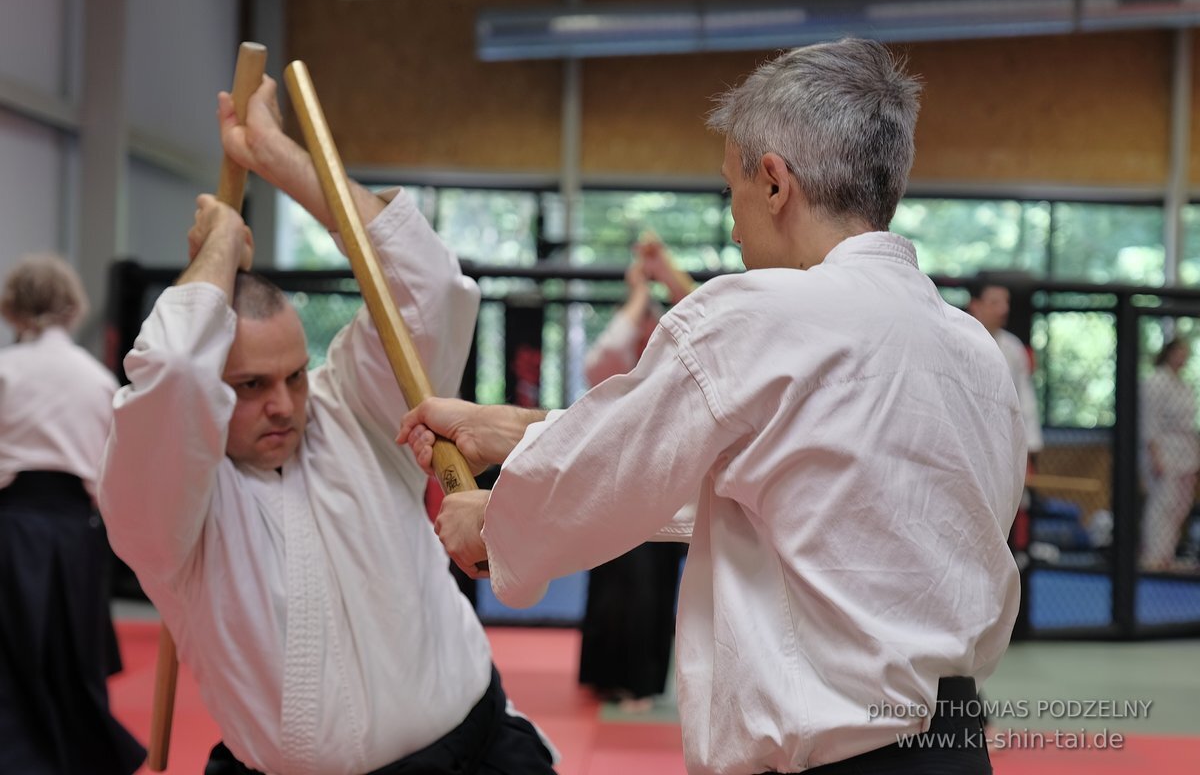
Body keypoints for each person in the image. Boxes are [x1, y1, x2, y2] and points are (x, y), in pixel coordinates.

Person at [402, 38, 1025, 775]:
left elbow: (620, 471)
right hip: (954, 747)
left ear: (773, 182)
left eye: (730, 191)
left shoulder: (757, 313)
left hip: (828, 757)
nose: (732, 226)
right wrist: (513, 429)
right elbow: (801, 500)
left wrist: (496, 523)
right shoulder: (972, 350)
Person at [98, 77, 556, 775]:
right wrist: (220, 242)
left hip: (479, 750)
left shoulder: (357, 417)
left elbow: (426, 285)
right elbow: (174, 375)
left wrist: (276, 155)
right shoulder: (168, 517)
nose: (284, 403)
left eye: (294, 374)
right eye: (250, 386)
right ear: (212, 402)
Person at [0, 255, 146, 775]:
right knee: (73, 649)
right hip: (75, 528)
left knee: (9, 651)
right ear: (71, 305)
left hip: (11, 523)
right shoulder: (97, 378)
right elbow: (113, 465)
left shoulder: (4, 369)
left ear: (13, 306)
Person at [577, 232, 691, 713]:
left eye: (655, 324)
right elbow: (602, 353)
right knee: (611, 588)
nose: (648, 331)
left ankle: (642, 684)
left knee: (649, 590)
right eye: (644, 323)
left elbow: (710, 312)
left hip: (665, 494)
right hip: (612, 492)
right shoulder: (617, 370)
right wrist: (640, 293)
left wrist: (663, 270)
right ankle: (605, 678)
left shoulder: (681, 367)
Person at [1139, 337, 1199, 571]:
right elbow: (1149, 421)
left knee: (1180, 505)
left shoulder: (1183, 385)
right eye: (1180, 352)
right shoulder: (1155, 381)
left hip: (1186, 449)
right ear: (1170, 353)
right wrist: (1155, 455)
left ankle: (1167, 554)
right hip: (1164, 448)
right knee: (1162, 502)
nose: (1184, 358)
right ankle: (1154, 556)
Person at [966, 282, 1043, 460]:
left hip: (1008, 442)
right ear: (975, 305)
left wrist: (1031, 444)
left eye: (1006, 302)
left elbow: (1025, 397)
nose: (1003, 309)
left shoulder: (1013, 347)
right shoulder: (958, 341)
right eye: (995, 303)